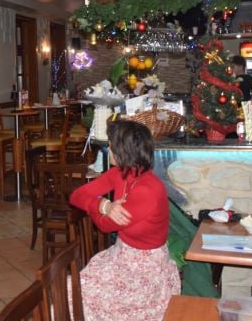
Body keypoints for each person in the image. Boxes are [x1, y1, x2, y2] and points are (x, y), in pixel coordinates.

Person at [69, 120, 180, 320]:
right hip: (121, 256)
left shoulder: (147, 190)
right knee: (73, 288)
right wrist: (104, 206)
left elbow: (104, 225)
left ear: (122, 151)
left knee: (74, 292)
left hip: (145, 272)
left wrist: (97, 208)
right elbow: (76, 195)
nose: (108, 148)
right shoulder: (121, 174)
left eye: (111, 144)